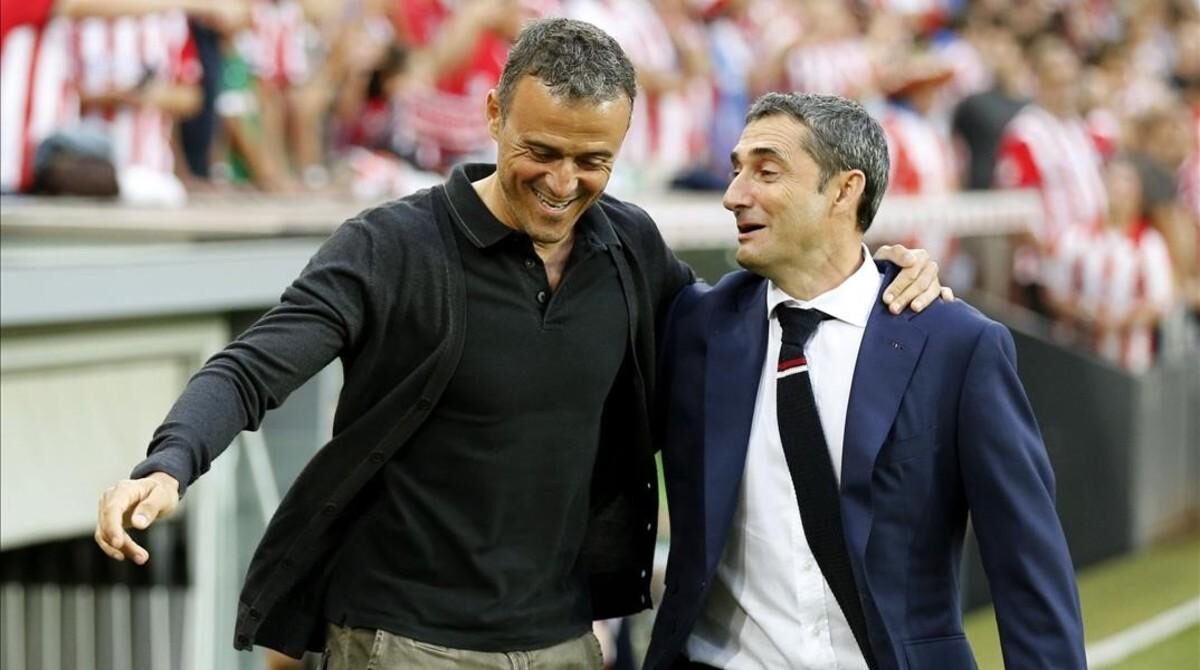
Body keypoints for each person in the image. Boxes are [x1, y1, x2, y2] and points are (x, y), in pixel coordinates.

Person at [93, 19, 946, 667]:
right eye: (540, 151)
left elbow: (740, 325)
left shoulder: (630, 247)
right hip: (401, 642)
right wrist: (169, 461)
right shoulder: (391, 246)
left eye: (593, 161)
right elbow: (253, 366)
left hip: (563, 642)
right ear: (494, 115)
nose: (563, 183)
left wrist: (874, 276)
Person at [644, 92, 1085, 670]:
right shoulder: (696, 328)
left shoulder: (954, 345)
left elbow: (1028, 570)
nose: (734, 195)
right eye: (736, 170)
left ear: (844, 190)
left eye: (766, 172)